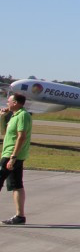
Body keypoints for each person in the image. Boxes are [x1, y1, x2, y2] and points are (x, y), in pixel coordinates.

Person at [1, 93, 32, 225]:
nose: (7, 103)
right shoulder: (14, 115)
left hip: (12, 155)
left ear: (16, 103)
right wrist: (2, 118)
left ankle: (20, 216)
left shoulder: (23, 115)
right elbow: (4, 132)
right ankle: (20, 216)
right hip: (10, 154)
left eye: (9, 101)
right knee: (16, 185)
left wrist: (13, 157)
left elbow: (21, 136)